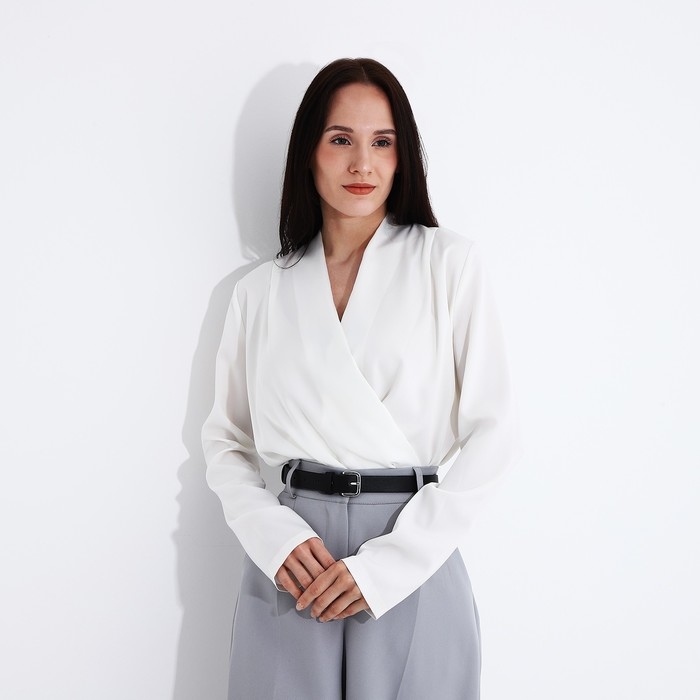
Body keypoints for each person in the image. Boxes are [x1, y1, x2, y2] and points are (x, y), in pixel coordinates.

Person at [202, 57, 519, 700]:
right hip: (295, 565)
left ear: (403, 158)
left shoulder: (449, 264)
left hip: (411, 554)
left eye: (382, 142)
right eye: (341, 139)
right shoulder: (259, 292)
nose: (362, 164)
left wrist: (391, 565)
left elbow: (494, 433)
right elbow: (225, 440)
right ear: (309, 152)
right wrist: (273, 537)